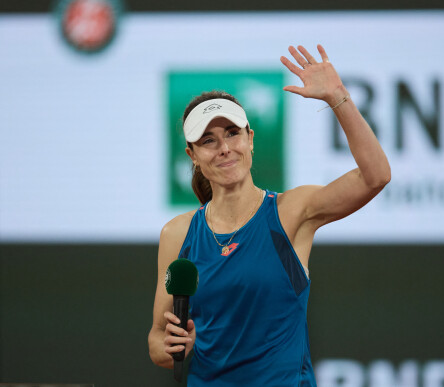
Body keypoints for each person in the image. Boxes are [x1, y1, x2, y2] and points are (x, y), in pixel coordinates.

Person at [148, 44, 391, 386]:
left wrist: (338, 97)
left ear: (250, 138)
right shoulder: (177, 233)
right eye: (208, 140)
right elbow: (159, 339)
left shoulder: (291, 212)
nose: (225, 148)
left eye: (233, 133)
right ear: (193, 154)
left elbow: (375, 176)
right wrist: (172, 345)